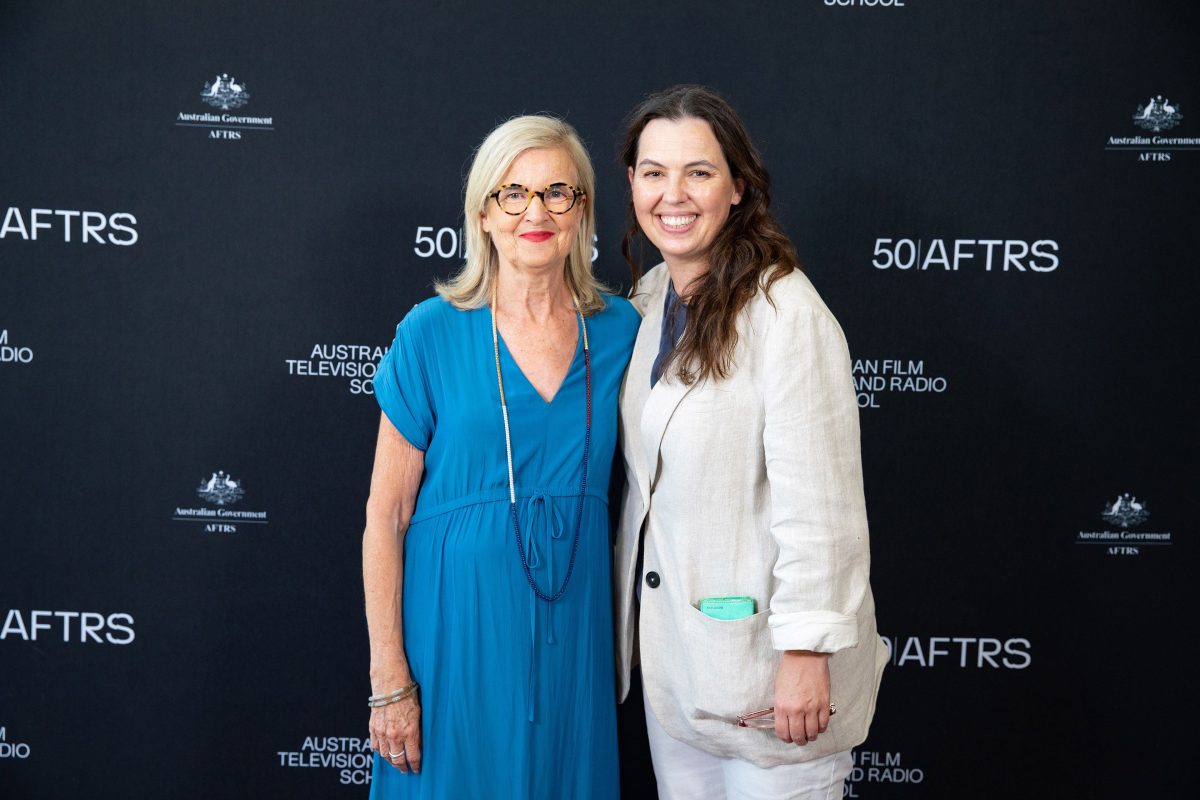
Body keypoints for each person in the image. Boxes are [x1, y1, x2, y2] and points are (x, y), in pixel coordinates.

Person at [613, 85, 888, 800]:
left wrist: (806, 652)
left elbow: (821, 506)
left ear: (738, 187)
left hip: (773, 681)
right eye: (653, 172)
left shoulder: (785, 312)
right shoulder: (646, 300)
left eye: (698, 172)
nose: (673, 194)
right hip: (681, 671)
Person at [362, 115, 639, 799]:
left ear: (581, 213)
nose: (535, 212)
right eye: (513, 194)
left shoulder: (622, 332)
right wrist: (388, 679)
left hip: (574, 635)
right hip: (453, 639)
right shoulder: (430, 333)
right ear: (484, 213)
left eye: (556, 192)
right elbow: (385, 516)